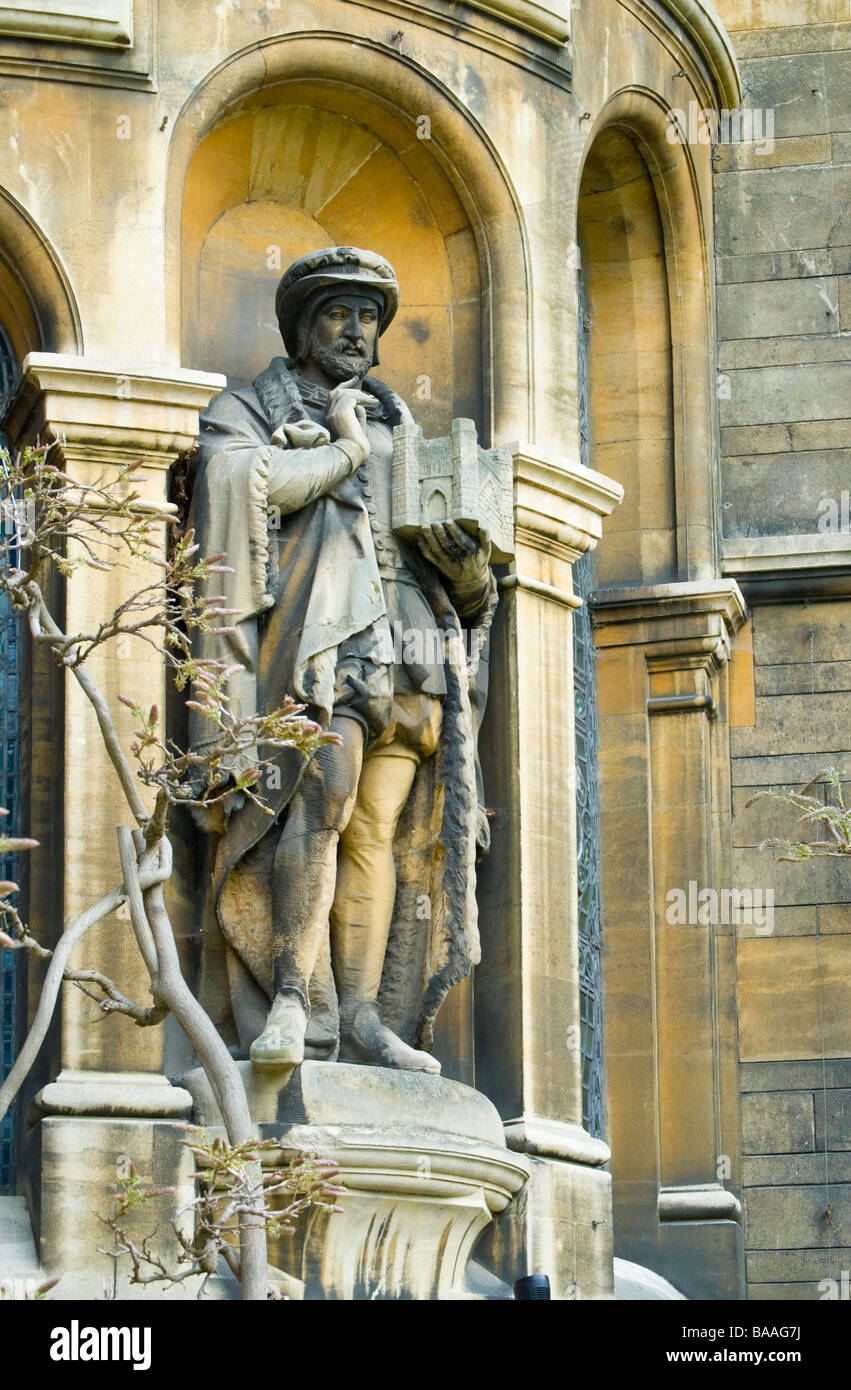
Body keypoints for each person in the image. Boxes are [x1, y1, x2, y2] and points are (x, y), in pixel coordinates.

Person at [188, 246, 496, 1074]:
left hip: (412, 640)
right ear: (303, 325)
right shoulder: (250, 407)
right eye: (338, 314)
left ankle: (360, 1013)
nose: (355, 332)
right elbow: (234, 483)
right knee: (319, 801)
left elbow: (469, 582)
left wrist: (468, 569)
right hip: (325, 631)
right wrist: (347, 450)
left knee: (377, 831)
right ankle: (294, 994)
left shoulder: (404, 422)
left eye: (367, 318)